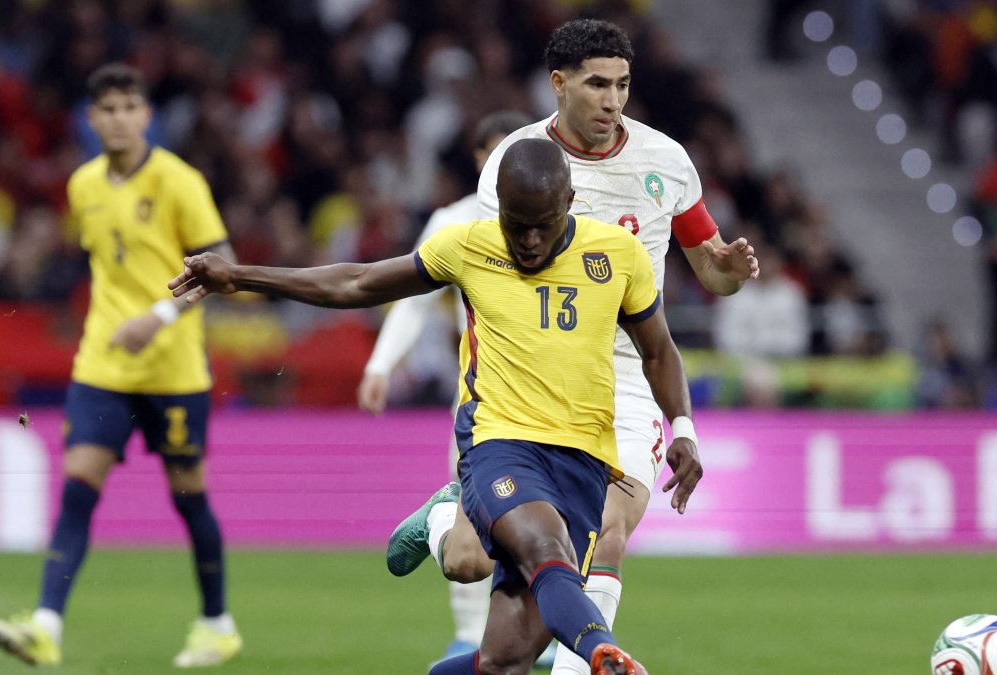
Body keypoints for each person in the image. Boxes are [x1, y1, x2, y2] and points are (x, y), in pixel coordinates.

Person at [169, 138, 701, 675]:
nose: (529, 240)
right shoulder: (468, 245)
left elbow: (658, 350)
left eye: (542, 223)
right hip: (502, 444)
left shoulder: (618, 254)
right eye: (517, 224)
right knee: (546, 551)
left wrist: (682, 426)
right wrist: (239, 277)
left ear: (570, 201)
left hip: (583, 460)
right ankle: (602, 654)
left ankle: (444, 518)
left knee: (504, 661)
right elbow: (356, 282)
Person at [384, 18, 760, 675]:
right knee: (473, 564)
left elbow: (713, 273)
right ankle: (447, 517)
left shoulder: (666, 162)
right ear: (559, 85)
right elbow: (485, 279)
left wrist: (728, 266)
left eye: (621, 85)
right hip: (532, 370)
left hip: (627, 371)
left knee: (609, 529)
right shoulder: (519, 162)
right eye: (596, 85)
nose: (612, 100)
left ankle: (585, 662)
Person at [0, 63, 242, 669]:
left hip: (174, 368)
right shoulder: (82, 186)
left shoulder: (179, 181)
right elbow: (106, 265)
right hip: (102, 364)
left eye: (131, 106)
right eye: (109, 108)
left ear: (146, 116)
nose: (120, 117)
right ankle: (46, 626)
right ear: (92, 118)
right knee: (77, 489)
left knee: (188, 499)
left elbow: (225, 262)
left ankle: (217, 624)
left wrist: (160, 313)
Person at [357, 110, 535, 664]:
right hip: (483, 395)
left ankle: (532, 627)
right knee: (475, 519)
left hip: (552, 395)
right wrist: (382, 363)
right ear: (480, 158)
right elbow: (412, 298)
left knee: (547, 516)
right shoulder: (454, 222)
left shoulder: (558, 216)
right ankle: (467, 632)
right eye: (493, 150)